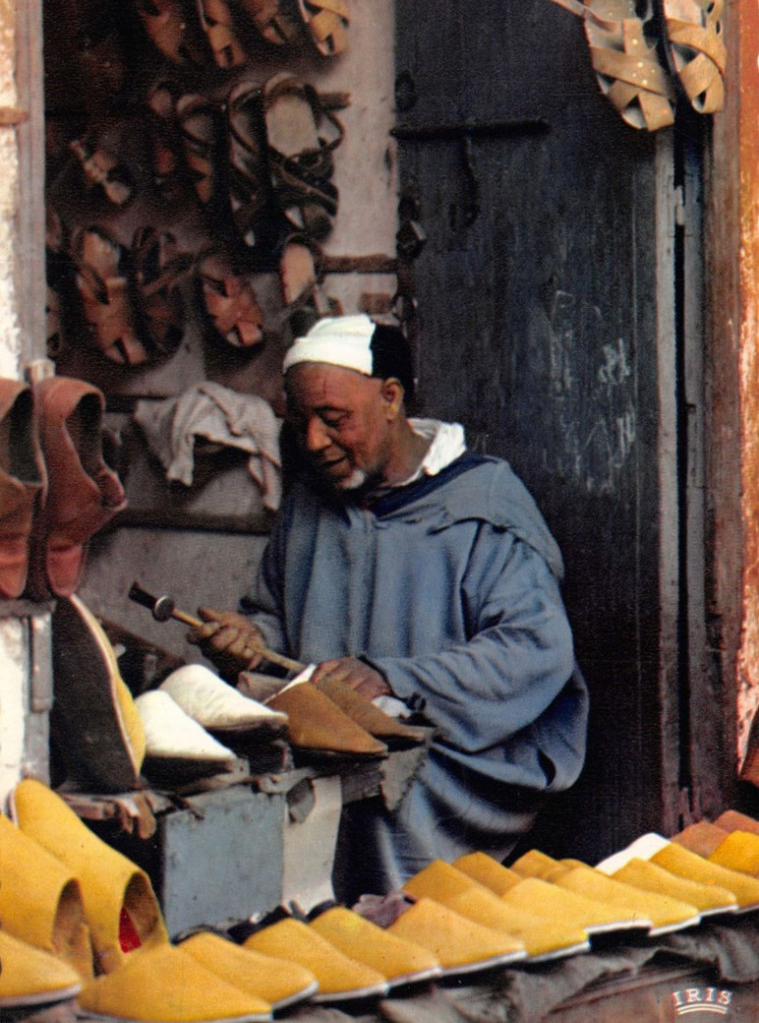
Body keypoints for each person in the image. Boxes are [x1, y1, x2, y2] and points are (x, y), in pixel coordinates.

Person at [189, 313, 589, 896]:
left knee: (383, 794)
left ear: (391, 398)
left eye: (334, 420)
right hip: (328, 742)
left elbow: (532, 651)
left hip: (456, 754)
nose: (313, 442)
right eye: (300, 422)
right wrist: (249, 636)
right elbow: (277, 614)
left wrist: (392, 679)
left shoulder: (480, 503)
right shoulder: (309, 505)